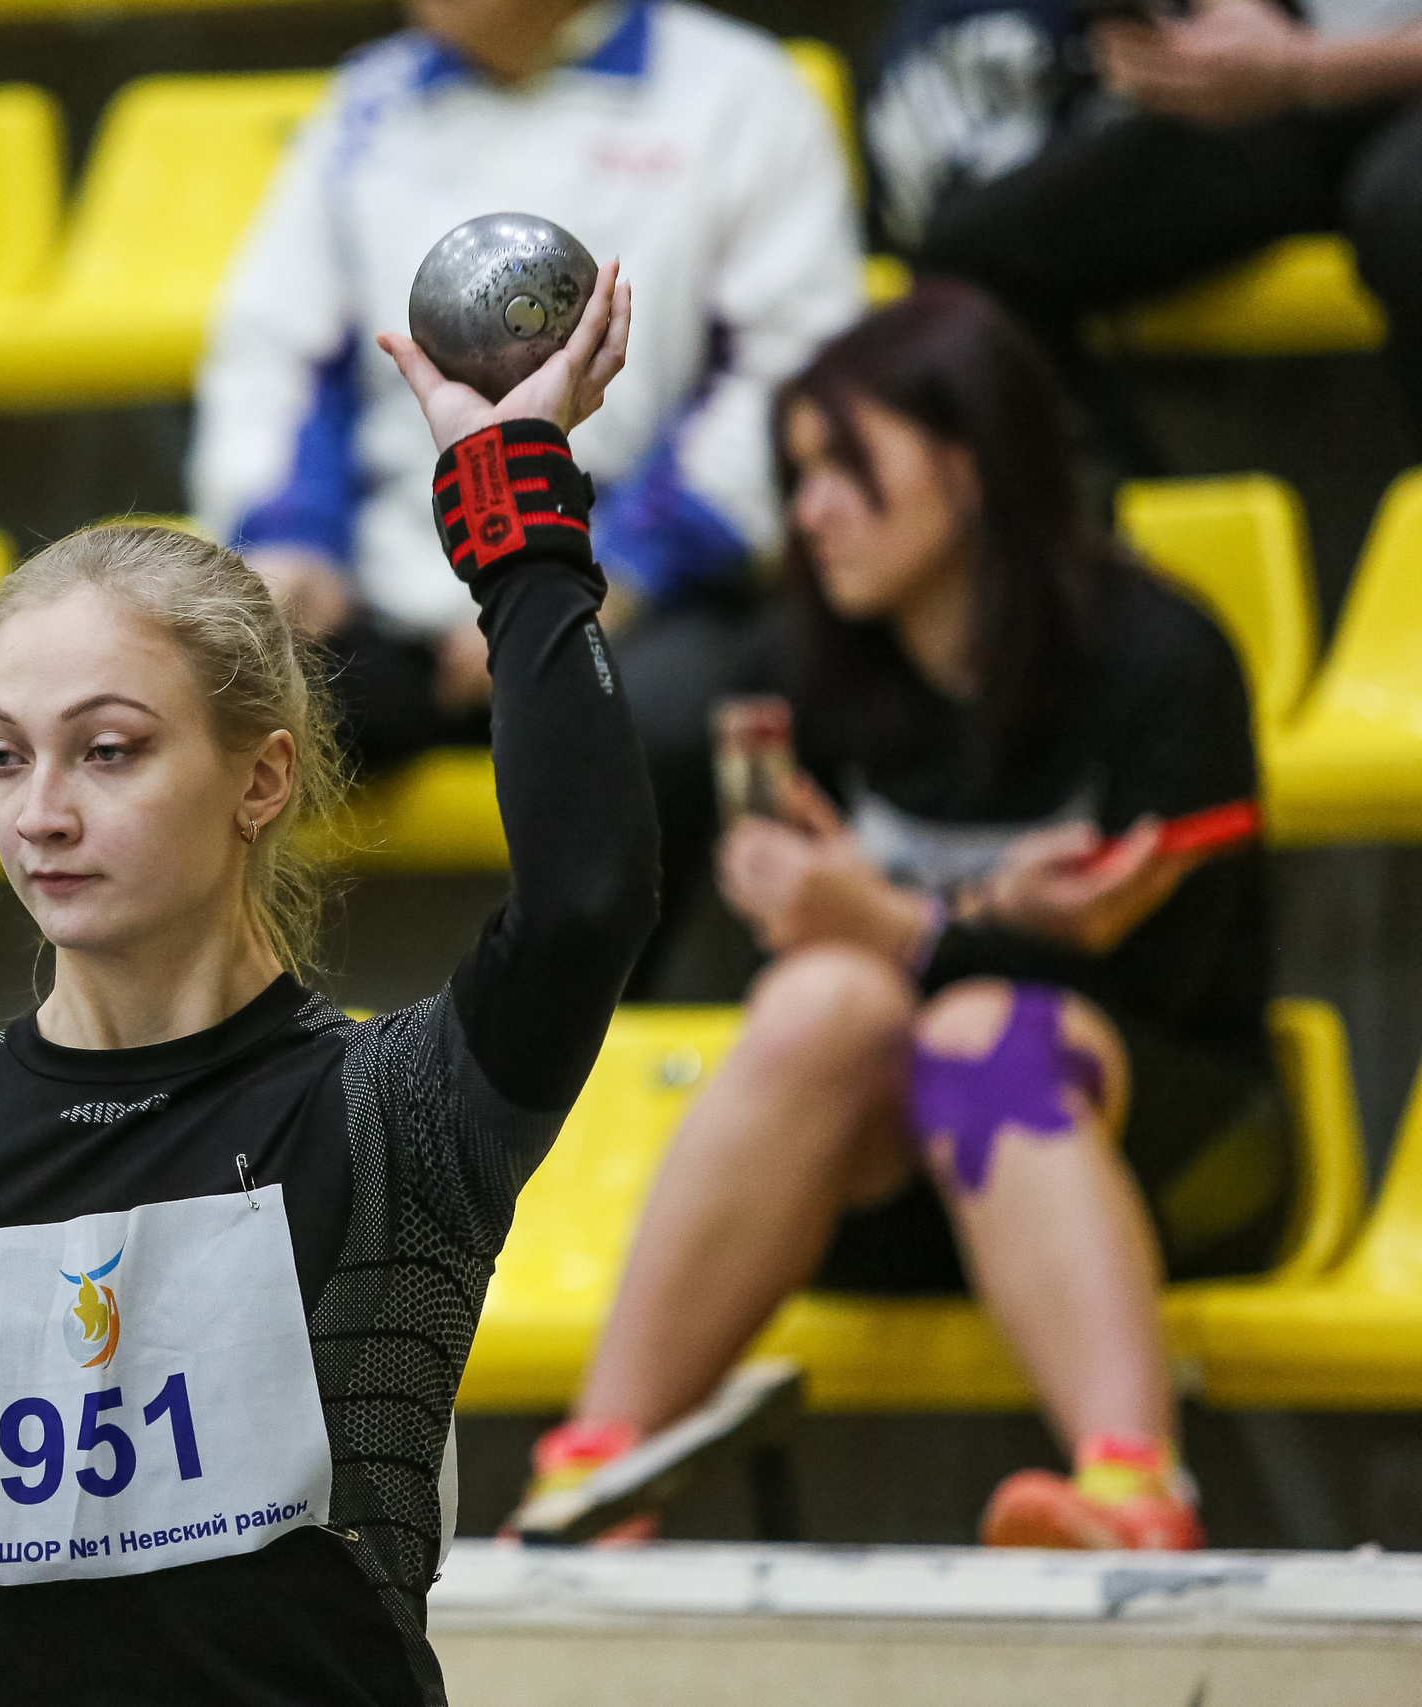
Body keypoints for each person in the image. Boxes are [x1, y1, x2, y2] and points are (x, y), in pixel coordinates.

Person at [0, 270, 656, 1705]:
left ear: (260, 778)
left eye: (108, 750)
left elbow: (588, 896)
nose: (40, 813)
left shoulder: (392, 1116)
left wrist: (511, 493)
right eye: (3, 754)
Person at [510, 280, 1291, 1551]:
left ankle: (1134, 1492)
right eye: (798, 474)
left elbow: (1164, 980)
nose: (809, 511)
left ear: (969, 464)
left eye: (846, 468)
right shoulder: (798, 675)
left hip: (1171, 1156)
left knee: (986, 1031)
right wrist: (912, 925)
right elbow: (809, 963)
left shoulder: (1159, 658)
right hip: (887, 1187)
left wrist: (909, 929)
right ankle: (594, 1479)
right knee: (821, 1002)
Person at [189, 0, 863, 988]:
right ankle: (222, 1043)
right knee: (199, 702)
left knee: (664, 718)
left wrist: (603, 575)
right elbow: (279, 353)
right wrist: (293, 539)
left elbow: (786, 374)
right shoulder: (366, 104)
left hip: (644, 600)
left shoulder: (741, 95)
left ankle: (602, 1033)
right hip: (397, 597)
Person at [908, 0, 1422, 456]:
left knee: (1402, 213)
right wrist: (1208, 35)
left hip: (1372, 83)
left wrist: (1308, 66)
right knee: (971, 260)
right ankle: (1107, 524)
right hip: (1288, 80)